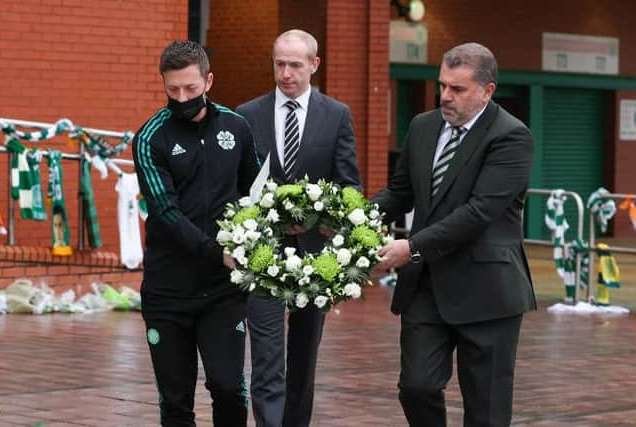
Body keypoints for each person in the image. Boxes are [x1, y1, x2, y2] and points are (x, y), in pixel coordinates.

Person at [372, 42, 535, 427]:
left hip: (488, 290)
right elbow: (400, 192)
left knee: (487, 410)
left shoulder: (512, 137)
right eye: (442, 85)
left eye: (457, 89)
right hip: (426, 287)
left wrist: (410, 247)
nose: (445, 96)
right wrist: (349, 218)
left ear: (487, 90)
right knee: (417, 387)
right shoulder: (423, 126)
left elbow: (479, 212)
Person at [236, 29, 362, 427]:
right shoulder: (247, 114)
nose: (286, 73)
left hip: (316, 255)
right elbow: (237, 185)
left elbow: (349, 183)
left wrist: (336, 225)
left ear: (313, 64)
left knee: (305, 355)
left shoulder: (336, 114)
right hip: (261, 253)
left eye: (294, 64)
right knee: (267, 352)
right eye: (279, 64)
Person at [133, 40, 259, 427]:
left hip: (222, 292)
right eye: (173, 90)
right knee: (175, 401)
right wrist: (216, 251)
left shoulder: (236, 127)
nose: (182, 97)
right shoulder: (150, 138)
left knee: (227, 386)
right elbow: (166, 214)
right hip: (167, 293)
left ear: (209, 80)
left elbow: (254, 191)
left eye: (190, 88)